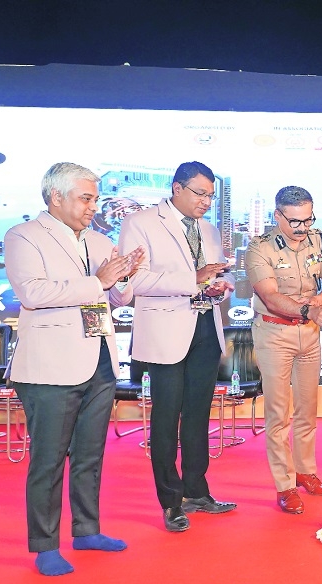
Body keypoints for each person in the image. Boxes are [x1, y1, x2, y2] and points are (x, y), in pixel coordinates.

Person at [4, 162, 144, 575]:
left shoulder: (100, 240)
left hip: (100, 358)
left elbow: (119, 299)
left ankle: (87, 530)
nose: (92, 206)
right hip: (49, 366)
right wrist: (99, 281)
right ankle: (45, 545)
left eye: (95, 198)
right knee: (49, 458)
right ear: (56, 197)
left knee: (90, 454)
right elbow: (32, 293)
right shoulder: (24, 236)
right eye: (86, 198)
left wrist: (124, 277)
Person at [119, 161, 237, 533]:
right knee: (166, 417)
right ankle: (170, 502)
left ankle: (197, 491)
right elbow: (135, 280)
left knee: (199, 414)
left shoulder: (210, 229)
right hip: (166, 330)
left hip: (205, 324)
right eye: (200, 193)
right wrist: (194, 279)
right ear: (176, 188)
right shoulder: (140, 223)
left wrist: (218, 287)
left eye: (211, 196)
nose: (206, 202)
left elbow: (213, 275)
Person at [245, 186, 322, 513]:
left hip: (309, 334)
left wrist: (313, 304)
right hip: (274, 334)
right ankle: (285, 485)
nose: (303, 229)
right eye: (295, 222)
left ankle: (306, 470)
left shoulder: (318, 240)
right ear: (278, 216)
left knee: (307, 409)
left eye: (308, 220)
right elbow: (271, 297)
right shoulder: (258, 249)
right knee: (278, 414)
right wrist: (309, 311)